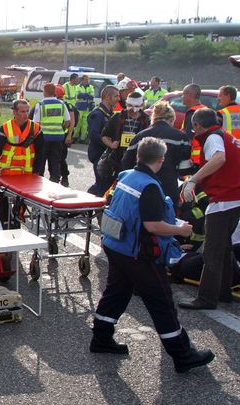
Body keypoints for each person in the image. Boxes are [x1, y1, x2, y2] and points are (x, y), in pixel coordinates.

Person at [91, 137, 215, 374]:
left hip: (116, 246)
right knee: (162, 302)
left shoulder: (126, 176)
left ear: (138, 156)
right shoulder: (149, 186)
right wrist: (180, 230)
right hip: (138, 254)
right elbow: (152, 226)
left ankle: (101, 338)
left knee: (116, 293)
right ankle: (182, 354)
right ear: (161, 160)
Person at [178, 108, 240, 310]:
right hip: (238, 197)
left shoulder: (213, 138)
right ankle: (223, 292)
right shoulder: (226, 135)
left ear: (197, 125)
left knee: (212, 252)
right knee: (223, 247)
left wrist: (193, 180)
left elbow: (219, 159)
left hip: (225, 199)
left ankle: (206, 298)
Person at [121, 101, 191, 204]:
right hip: (169, 188)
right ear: (171, 120)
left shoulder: (140, 136)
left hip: (141, 187)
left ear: (153, 119)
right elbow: (184, 170)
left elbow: (126, 163)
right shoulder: (181, 138)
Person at [0, 99, 43, 229]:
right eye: (22, 111)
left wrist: (38, 173)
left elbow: (41, 153)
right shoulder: (6, 128)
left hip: (26, 175)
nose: (25, 114)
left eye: (27, 111)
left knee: (20, 207)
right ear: (14, 112)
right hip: (6, 175)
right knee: (3, 206)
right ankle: (2, 227)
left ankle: (15, 225)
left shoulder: (35, 128)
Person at [96, 91, 150, 194]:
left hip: (136, 160)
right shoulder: (118, 117)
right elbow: (104, 135)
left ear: (142, 105)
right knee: (109, 187)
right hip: (117, 159)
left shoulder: (146, 120)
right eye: (130, 105)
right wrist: (111, 144)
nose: (132, 110)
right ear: (126, 103)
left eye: (136, 106)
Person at [32, 83, 71, 183]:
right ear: (55, 92)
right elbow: (67, 121)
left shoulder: (40, 105)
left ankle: (38, 183)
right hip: (58, 138)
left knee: (40, 162)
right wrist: (60, 129)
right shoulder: (62, 104)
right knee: (55, 162)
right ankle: (55, 181)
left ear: (44, 92)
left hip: (43, 138)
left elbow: (36, 123)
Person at [87, 85, 119, 195]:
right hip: (99, 155)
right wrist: (109, 142)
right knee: (102, 185)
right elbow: (93, 135)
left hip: (107, 156)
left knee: (104, 184)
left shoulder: (110, 114)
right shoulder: (97, 114)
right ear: (106, 97)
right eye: (116, 96)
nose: (118, 99)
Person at [217, 84, 240, 157]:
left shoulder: (222, 114)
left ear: (228, 96)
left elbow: (216, 138)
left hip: (227, 154)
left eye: (220, 95)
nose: (218, 98)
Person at [181, 83, 207, 168]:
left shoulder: (193, 113)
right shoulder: (206, 110)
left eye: (183, 94)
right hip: (206, 157)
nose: (182, 97)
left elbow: (188, 138)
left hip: (195, 160)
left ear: (189, 95)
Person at [55, 84, 77, 187]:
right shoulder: (66, 104)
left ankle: (63, 177)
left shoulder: (66, 105)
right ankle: (60, 177)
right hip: (60, 135)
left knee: (60, 158)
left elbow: (71, 121)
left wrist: (69, 136)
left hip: (62, 136)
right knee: (58, 158)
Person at [74, 75, 95, 143]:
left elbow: (92, 96)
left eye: (87, 79)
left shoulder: (91, 87)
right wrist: (87, 95)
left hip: (87, 108)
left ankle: (83, 138)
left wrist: (83, 95)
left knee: (85, 124)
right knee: (78, 123)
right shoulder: (78, 87)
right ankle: (75, 136)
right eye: (85, 79)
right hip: (79, 107)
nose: (87, 81)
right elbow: (78, 95)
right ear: (82, 80)